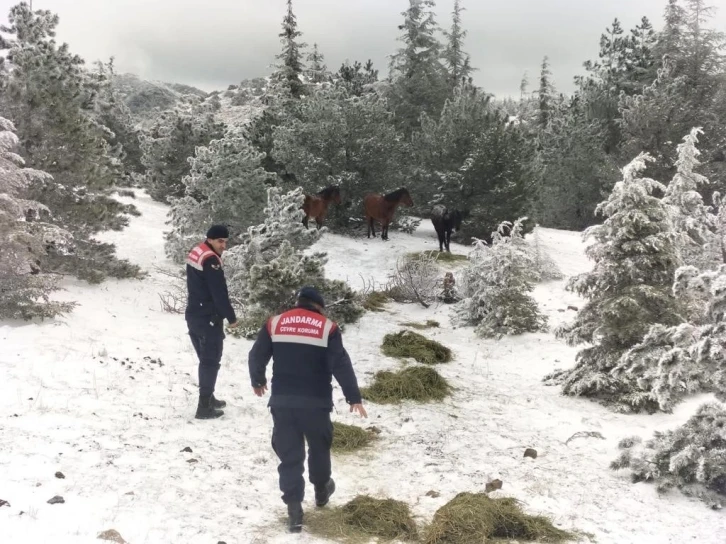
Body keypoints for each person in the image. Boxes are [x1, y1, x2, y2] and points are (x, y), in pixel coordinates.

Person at [248, 286, 367, 533]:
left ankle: (294, 511)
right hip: (316, 403)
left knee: (290, 455)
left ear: (298, 302)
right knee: (319, 447)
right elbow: (340, 363)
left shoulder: (275, 323)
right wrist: (353, 396)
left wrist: (258, 380)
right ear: (319, 307)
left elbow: (256, 355)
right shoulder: (327, 327)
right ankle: (322, 489)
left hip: (283, 402)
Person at [185, 224, 238, 420]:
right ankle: (204, 406)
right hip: (208, 318)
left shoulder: (198, 251)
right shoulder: (210, 260)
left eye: (225, 241)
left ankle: (209, 396)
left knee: (205, 359)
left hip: (194, 313)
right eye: (220, 241)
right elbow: (219, 292)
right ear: (210, 239)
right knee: (210, 361)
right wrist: (231, 317)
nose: (224, 245)